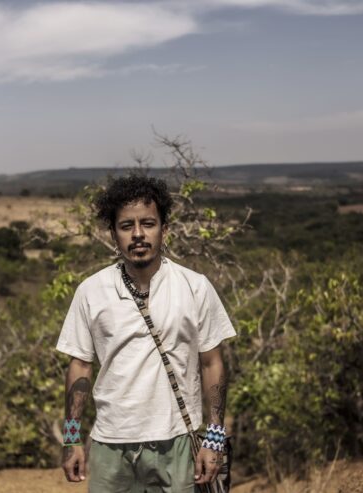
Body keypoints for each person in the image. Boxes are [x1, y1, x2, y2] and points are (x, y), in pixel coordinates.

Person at [56, 175, 236, 492]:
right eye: (126, 226)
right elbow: (80, 366)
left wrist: (214, 437)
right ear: (113, 233)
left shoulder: (194, 287)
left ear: (164, 229)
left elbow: (212, 363)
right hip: (111, 444)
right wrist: (72, 438)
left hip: (178, 441)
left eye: (148, 223)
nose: (138, 234)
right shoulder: (91, 291)